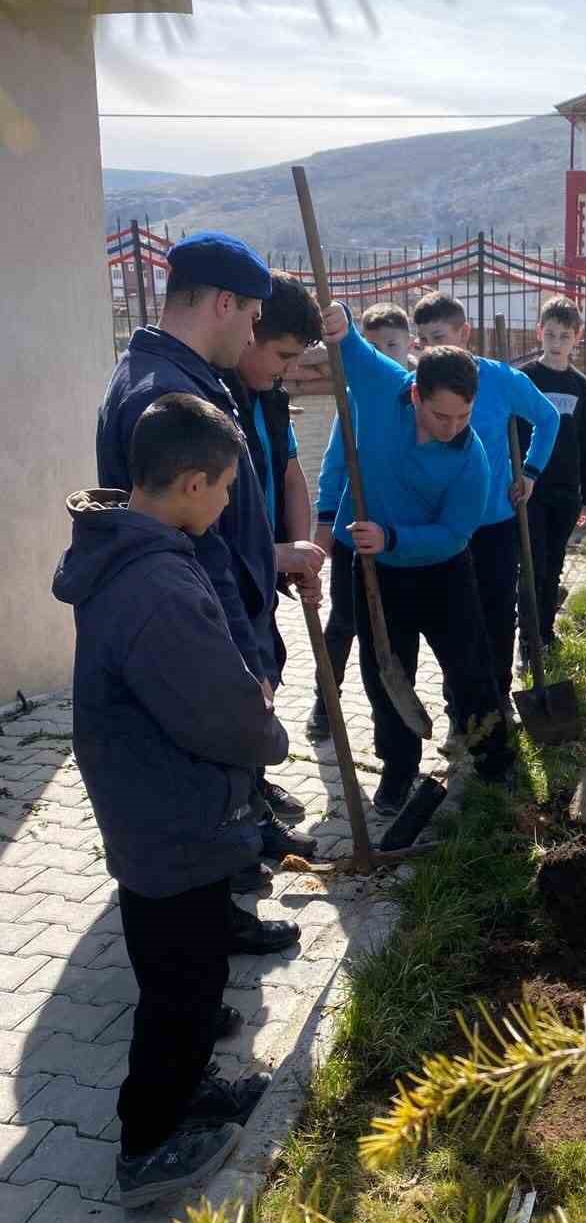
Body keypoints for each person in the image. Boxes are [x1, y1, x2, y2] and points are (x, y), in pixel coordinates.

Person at [53, 396, 288, 1208]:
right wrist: (265, 731)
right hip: (173, 815)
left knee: (189, 966)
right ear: (191, 483)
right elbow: (215, 711)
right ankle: (147, 1143)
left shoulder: (136, 548)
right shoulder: (154, 584)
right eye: (224, 487)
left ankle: (190, 1089)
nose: (226, 502)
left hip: (153, 806)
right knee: (180, 988)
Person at [96, 232, 312, 921]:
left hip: (211, 622)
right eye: (252, 316)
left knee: (213, 781)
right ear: (224, 303)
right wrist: (245, 662)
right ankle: (210, 923)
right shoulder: (162, 392)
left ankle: (219, 899)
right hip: (197, 631)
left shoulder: (180, 376)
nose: (253, 333)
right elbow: (198, 551)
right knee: (197, 778)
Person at [319, 303, 515, 810]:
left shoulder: (472, 461)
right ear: (414, 394)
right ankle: (398, 768)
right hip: (376, 572)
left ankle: (494, 761)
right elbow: (351, 346)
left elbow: (454, 534)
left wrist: (393, 537)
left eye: (463, 416)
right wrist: (338, 318)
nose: (453, 427)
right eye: (441, 415)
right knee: (385, 674)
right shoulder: (382, 390)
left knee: (471, 671)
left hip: (442, 573)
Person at [408, 292, 560, 724]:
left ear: (464, 333)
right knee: (450, 618)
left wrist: (530, 472)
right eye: (423, 339)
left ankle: (497, 698)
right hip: (441, 525)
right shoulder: (416, 386)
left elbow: (548, 417)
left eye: (439, 336)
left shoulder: (500, 379)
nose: (429, 348)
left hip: (494, 521)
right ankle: (459, 708)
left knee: (496, 613)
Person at [222, 272, 325, 841]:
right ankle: (245, 817)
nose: (288, 369)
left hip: (264, 573)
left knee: (267, 673)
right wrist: (280, 553)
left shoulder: (271, 401)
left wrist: (302, 551)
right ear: (250, 332)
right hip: (226, 576)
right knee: (240, 691)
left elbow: (290, 475)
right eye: (283, 355)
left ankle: (256, 784)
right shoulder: (217, 400)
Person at [308, 302, 411, 742]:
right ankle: (325, 703)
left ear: (409, 345)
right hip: (353, 534)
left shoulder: (418, 396)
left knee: (393, 632)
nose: (383, 355)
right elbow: (334, 466)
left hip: (399, 540)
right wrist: (325, 522)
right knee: (344, 622)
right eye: (373, 347)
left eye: (392, 345)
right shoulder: (352, 400)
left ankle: (389, 717)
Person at [516, 296, 586, 662]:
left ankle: (545, 634)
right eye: (550, 334)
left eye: (565, 335)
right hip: (530, 489)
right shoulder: (525, 379)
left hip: (565, 492)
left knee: (554, 565)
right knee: (532, 565)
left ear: (577, 336)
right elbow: (513, 433)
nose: (557, 342)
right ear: (539, 333)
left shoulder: (582, 387)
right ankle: (527, 641)